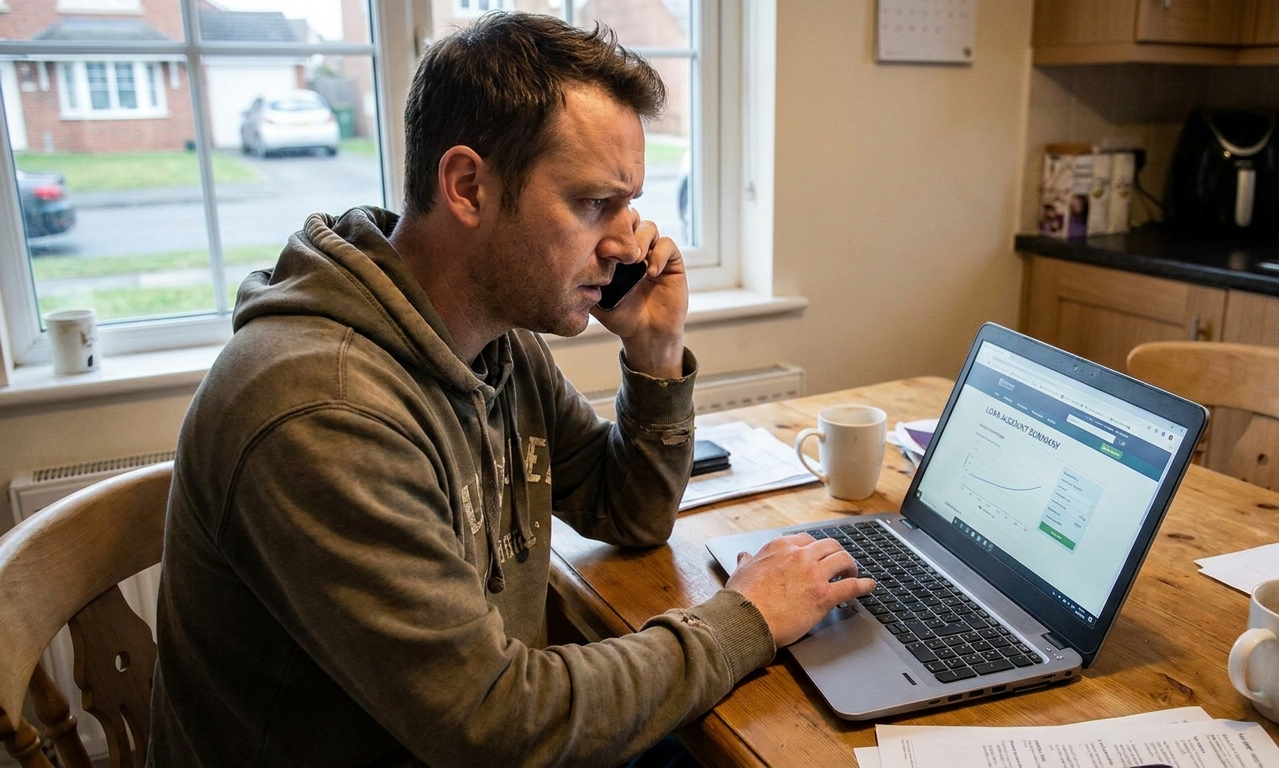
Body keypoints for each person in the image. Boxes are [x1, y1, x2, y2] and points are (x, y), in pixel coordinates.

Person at [147, 12, 873, 766]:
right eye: (594, 203)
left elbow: (624, 511)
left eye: (628, 204)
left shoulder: (494, 337)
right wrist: (746, 617)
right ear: (467, 187)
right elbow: (494, 726)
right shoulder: (319, 410)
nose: (628, 242)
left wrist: (655, 352)